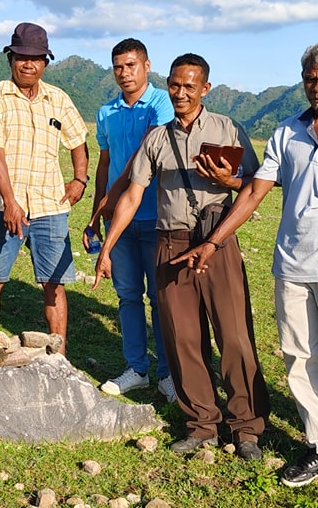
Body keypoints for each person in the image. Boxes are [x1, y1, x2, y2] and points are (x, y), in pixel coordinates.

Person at [173, 42, 318, 500]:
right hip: (292, 267)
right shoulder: (287, 131)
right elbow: (255, 192)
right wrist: (213, 242)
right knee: (301, 361)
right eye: (311, 79)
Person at [94, 53, 270, 461]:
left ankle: (247, 428)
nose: (181, 93)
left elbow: (255, 184)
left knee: (235, 337)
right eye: (175, 85)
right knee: (183, 339)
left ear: (205, 88)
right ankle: (202, 424)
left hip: (217, 240)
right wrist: (107, 247)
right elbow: (133, 193)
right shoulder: (157, 139)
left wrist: (230, 179)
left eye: (190, 86)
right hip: (169, 244)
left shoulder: (228, 128)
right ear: (167, 84)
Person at [0, 22, 89, 354]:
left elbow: (78, 141)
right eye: (22, 57)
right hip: (1, 205)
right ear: (11, 58)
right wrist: (10, 202)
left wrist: (79, 179)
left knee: (54, 283)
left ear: (45, 62)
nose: (29, 64)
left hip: (49, 204)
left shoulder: (58, 99)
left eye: (36, 58)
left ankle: (59, 351)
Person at [86, 38, 175, 401]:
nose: (124, 73)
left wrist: (112, 196)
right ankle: (136, 368)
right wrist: (96, 212)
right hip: (118, 221)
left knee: (161, 297)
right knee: (127, 296)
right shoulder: (107, 112)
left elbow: (146, 152)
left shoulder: (161, 103)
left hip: (156, 215)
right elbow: (104, 163)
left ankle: (168, 373)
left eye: (131, 65)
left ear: (147, 66)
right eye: (118, 67)